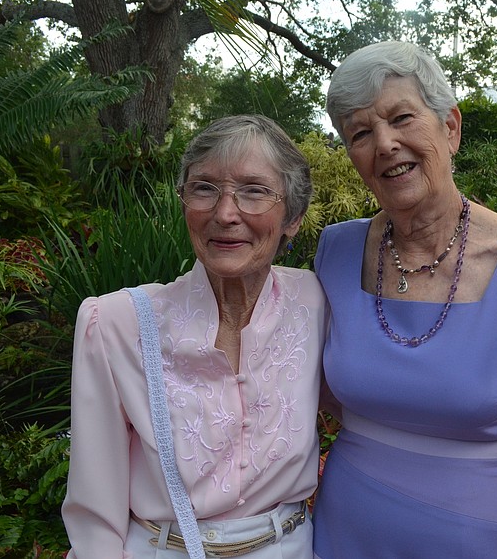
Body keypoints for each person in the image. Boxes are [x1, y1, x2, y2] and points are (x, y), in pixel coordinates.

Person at [312, 41, 497, 558]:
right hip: (344, 531)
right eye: (360, 133)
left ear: (451, 128)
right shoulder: (336, 250)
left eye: (402, 118)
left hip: (476, 540)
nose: (385, 144)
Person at [62, 114, 325, 558]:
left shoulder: (315, 302)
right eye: (204, 188)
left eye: (254, 191)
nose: (225, 214)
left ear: (293, 217)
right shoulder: (116, 323)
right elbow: (95, 513)